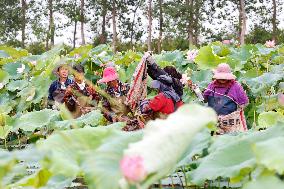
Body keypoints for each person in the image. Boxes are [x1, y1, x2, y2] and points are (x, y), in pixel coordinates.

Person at [203, 63, 249, 134]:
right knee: (213, 141)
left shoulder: (236, 86)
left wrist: (235, 114)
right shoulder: (212, 85)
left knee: (231, 140)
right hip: (214, 121)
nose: (223, 79)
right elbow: (205, 99)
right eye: (221, 77)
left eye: (225, 77)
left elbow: (244, 103)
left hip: (230, 122)